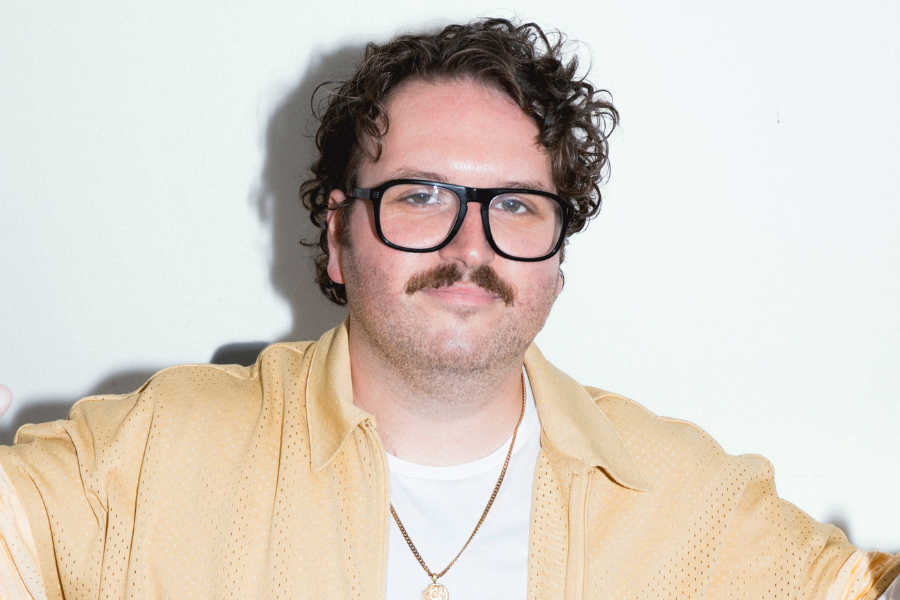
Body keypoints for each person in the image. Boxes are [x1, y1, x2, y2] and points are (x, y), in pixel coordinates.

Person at [0, 18, 897, 600]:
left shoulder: (691, 503)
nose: (471, 247)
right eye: (422, 196)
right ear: (342, 236)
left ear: (557, 257)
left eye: (515, 205)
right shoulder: (152, 454)